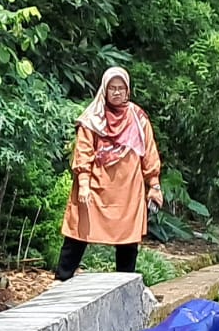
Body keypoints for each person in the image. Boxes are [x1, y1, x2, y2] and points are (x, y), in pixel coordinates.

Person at [55, 66, 163, 281]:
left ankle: (124, 283)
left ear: (128, 90)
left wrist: (154, 185)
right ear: (104, 89)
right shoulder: (92, 118)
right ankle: (62, 278)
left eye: (121, 88)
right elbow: (83, 151)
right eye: (112, 88)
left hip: (128, 190)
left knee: (128, 238)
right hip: (95, 186)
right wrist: (83, 183)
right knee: (79, 230)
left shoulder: (138, 118)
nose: (116, 92)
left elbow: (149, 153)